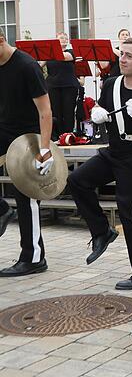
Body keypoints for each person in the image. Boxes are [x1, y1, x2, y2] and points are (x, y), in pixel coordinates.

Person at [67, 37, 132, 290]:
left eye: (129, 56)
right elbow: (101, 108)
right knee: (77, 180)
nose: (122, 59)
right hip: (112, 152)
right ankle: (102, 232)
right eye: (122, 54)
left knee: (130, 214)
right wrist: (97, 112)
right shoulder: (111, 84)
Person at [0, 27, 54, 276]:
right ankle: (2, 210)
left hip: (27, 136)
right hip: (3, 129)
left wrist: (44, 149)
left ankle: (33, 258)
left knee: (26, 195)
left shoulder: (26, 66)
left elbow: (45, 111)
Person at [42, 32, 79, 139]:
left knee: (68, 111)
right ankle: (56, 136)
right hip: (52, 86)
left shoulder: (71, 52)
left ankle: (67, 136)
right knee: (55, 112)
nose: (64, 39)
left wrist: (50, 52)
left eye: (65, 38)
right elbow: (39, 64)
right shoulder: (50, 54)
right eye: (61, 38)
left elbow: (63, 57)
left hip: (69, 86)